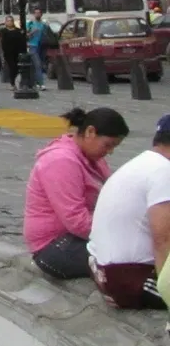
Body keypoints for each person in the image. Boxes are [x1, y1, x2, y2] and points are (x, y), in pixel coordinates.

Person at [24, 107, 128, 280]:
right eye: (108, 145)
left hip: (80, 237)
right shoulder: (60, 161)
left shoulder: (93, 158)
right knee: (132, 260)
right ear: (90, 132)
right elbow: (76, 220)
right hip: (54, 246)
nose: (110, 152)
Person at [87, 112, 170, 310]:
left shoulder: (143, 163)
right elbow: (163, 239)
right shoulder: (164, 172)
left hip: (104, 270)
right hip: (130, 276)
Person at [27, 8, 51, 90]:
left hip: (42, 46)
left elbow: (48, 35)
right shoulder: (30, 24)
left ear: (41, 14)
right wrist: (32, 32)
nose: (37, 14)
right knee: (38, 64)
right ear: (34, 14)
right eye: (36, 13)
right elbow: (26, 36)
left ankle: (35, 83)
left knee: (39, 65)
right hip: (32, 46)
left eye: (39, 13)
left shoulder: (44, 25)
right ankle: (41, 84)